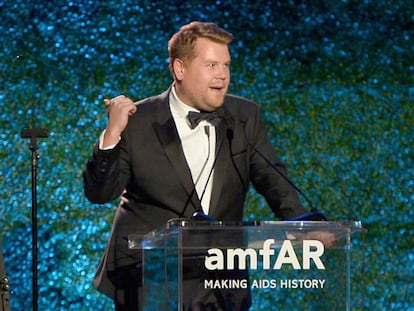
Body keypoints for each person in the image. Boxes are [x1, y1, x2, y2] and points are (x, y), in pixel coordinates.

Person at [84, 21, 319, 310]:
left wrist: (303, 226)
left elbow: (272, 178)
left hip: (222, 278)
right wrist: (112, 135)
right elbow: (99, 193)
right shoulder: (138, 120)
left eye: (226, 65)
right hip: (149, 279)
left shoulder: (244, 115)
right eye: (211, 65)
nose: (222, 75)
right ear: (180, 69)